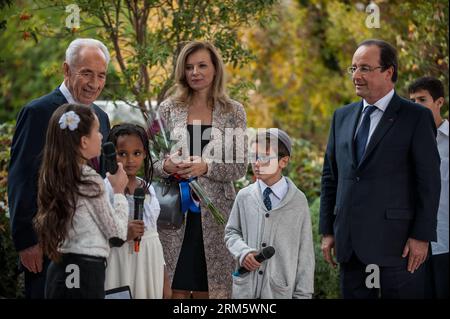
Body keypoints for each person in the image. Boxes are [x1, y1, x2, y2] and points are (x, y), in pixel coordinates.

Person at [319, 39, 441, 299]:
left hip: (398, 248)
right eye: (353, 69)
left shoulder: (416, 117)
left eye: (364, 68)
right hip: (350, 246)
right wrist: (328, 230)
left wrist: (421, 236)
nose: (356, 76)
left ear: (389, 72)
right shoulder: (342, 116)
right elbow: (331, 177)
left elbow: (429, 181)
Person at [7, 38, 111, 298]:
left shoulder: (102, 118)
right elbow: (21, 179)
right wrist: (27, 241)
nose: (94, 84)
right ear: (66, 70)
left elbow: (103, 177)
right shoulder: (37, 112)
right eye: (86, 73)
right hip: (47, 247)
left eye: (101, 75)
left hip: (89, 250)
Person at [153, 41, 247, 299]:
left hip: (217, 217)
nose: (195, 72)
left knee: (212, 290)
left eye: (202, 65)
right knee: (175, 290)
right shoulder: (167, 109)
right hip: (174, 215)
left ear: (215, 69)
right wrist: (166, 165)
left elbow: (240, 166)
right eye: (189, 67)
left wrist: (207, 166)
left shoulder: (233, 112)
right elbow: (150, 162)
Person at [33, 104, 129, 298]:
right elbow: (117, 234)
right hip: (84, 273)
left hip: (59, 271)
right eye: (97, 131)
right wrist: (119, 192)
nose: (102, 136)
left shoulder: (53, 175)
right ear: (84, 141)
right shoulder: (88, 179)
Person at [225, 129, 314, 299]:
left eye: (265, 157)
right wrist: (243, 252)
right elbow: (231, 233)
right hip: (245, 291)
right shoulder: (244, 196)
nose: (257, 163)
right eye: (254, 156)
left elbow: (305, 254)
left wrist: (303, 295)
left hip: (279, 293)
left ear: (283, 161)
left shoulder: (298, 202)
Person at [104, 123, 172, 299]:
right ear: (112, 154)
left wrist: (165, 280)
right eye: (122, 154)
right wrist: (123, 234)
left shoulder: (148, 188)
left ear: (144, 155)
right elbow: (95, 236)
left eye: (136, 153)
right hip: (120, 262)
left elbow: (154, 235)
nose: (130, 160)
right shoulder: (106, 188)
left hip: (150, 261)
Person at [408, 77, 448, 299]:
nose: (416, 106)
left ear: (439, 102)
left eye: (422, 100)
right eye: (412, 101)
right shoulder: (403, 141)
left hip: (446, 240)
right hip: (412, 242)